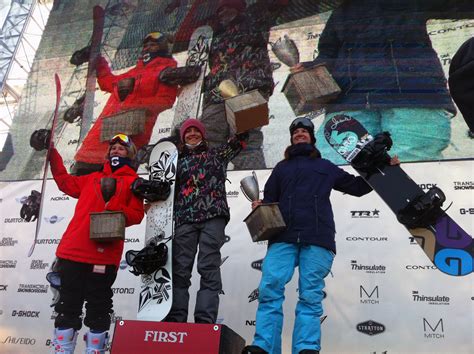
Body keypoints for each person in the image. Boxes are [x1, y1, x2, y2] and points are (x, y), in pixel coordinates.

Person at [243, 117, 376, 354]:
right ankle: (264, 346)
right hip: (282, 236)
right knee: (270, 288)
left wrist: (384, 168)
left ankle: (306, 348)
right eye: (296, 132)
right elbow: (271, 200)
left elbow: (357, 187)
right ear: (291, 139)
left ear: (312, 138)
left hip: (317, 237)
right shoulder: (281, 168)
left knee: (310, 295)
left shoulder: (325, 166)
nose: (300, 134)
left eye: (304, 131)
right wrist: (260, 206)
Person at [292, 0, 473, 164]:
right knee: (332, 166)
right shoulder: (342, 12)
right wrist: (311, 68)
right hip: (354, 101)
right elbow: (328, 54)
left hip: (413, 97)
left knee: (411, 166)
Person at [48, 133, 144, 353]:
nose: (116, 150)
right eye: (113, 147)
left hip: (103, 256)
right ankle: (62, 348)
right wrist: (52, 153)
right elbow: (64, 182)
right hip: (72, 252)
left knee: (98, 307)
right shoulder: (91, 178)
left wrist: (115, 207)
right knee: (67, 305)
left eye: (121, 147)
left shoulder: (133, 183)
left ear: (129, 153)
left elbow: (137, 214)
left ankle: (95, 349)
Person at [164, 118, 247, 323]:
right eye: (188, 132)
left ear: (203, 134)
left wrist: (245, 112)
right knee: (180, 269)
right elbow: (161, 184)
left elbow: (241, 138)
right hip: (185, 218)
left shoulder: (217, 155)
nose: (192, 133)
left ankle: (205, 320)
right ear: (183, 138)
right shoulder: (175, 162)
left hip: (213, 217)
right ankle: (176, 319)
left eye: (196, 130)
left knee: (209, 266)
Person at [73, 32, 179, 175]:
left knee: (116, 189)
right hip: (98, 140)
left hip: (129, 140)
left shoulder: (166, 70)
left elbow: (165, 101)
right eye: (146, 45)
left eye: (153, 45)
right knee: (84, 188)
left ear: (163, 47)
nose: (147, 48)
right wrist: (98, 61)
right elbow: (107, 83)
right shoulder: (136, 71)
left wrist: (131, 105)